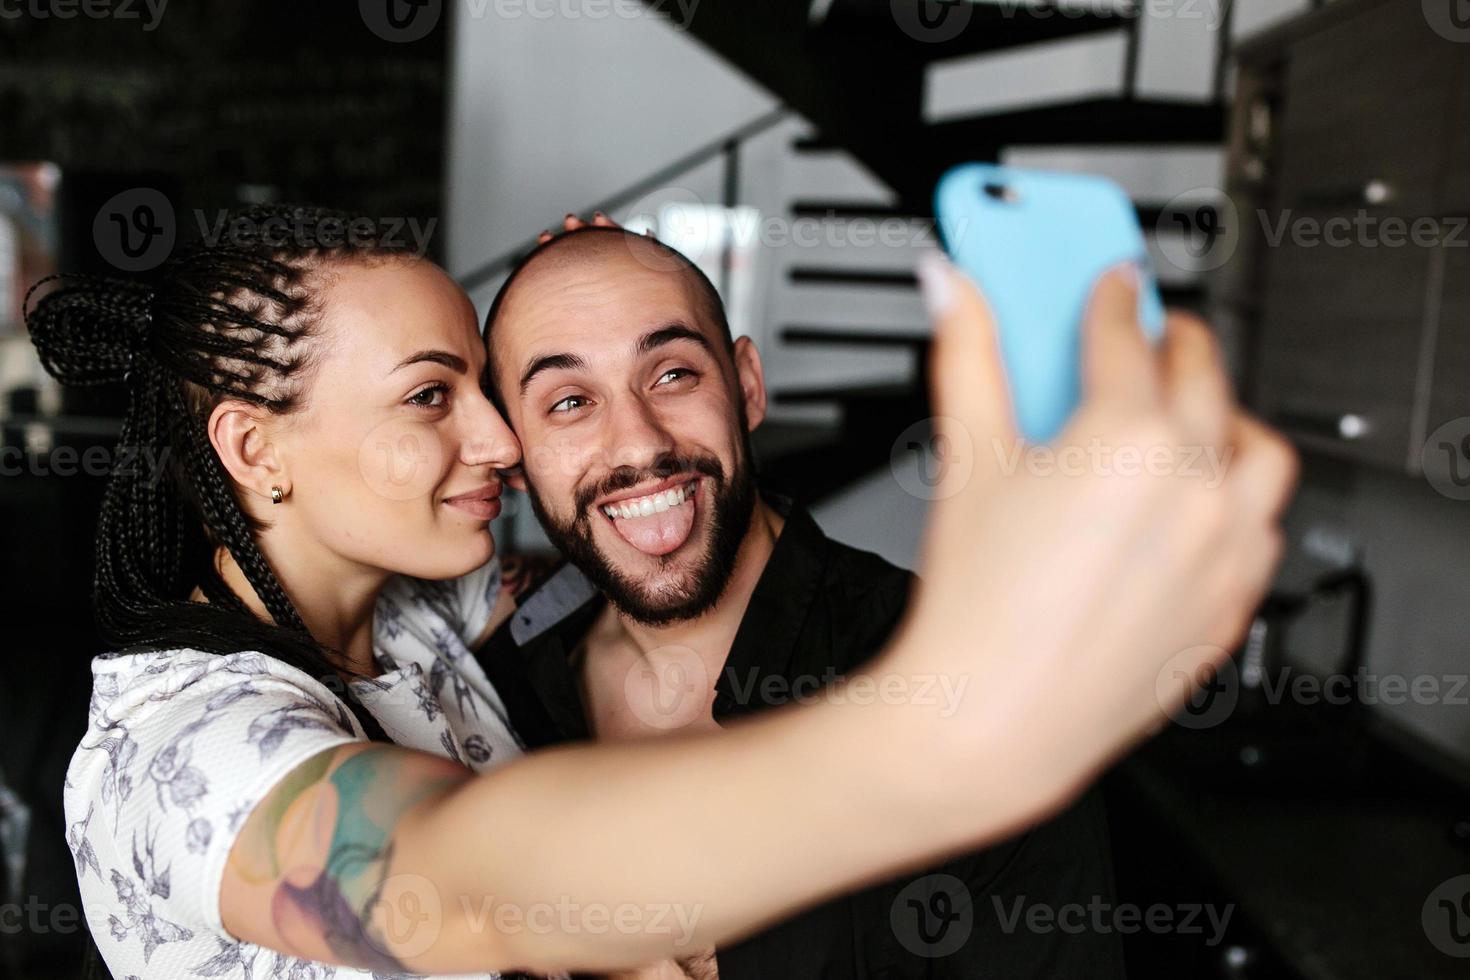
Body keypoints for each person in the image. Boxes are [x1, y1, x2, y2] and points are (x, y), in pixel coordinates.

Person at [27, 204, 1295, 980]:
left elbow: (607, 548)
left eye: (497, 386)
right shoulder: (180, 751)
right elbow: (447, 880)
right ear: (254, 451)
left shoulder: (417, 624)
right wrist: (950, 736)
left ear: (746, 382)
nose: (507, 441)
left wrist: (597, 300)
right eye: (435, 396)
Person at [479, 220, 1119, 979]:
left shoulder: (975, 695)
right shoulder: (493, 690)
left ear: (747, 385)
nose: (638, 444)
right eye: (569, 402)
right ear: (514, 458)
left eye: (673, 374)